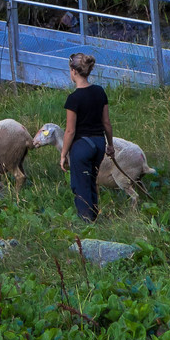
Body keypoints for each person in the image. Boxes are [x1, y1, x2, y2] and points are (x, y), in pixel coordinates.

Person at [59, 51, 115, 221]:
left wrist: (63, 154)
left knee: (80, 185)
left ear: (74, 71)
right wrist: (110, 145)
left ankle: (85, 222)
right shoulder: (99, 91)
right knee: (91, 182)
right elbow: (106, 123)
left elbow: (70, 131)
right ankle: (94, 217)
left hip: (81, 147)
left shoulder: (74, 99)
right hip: (98, 144)